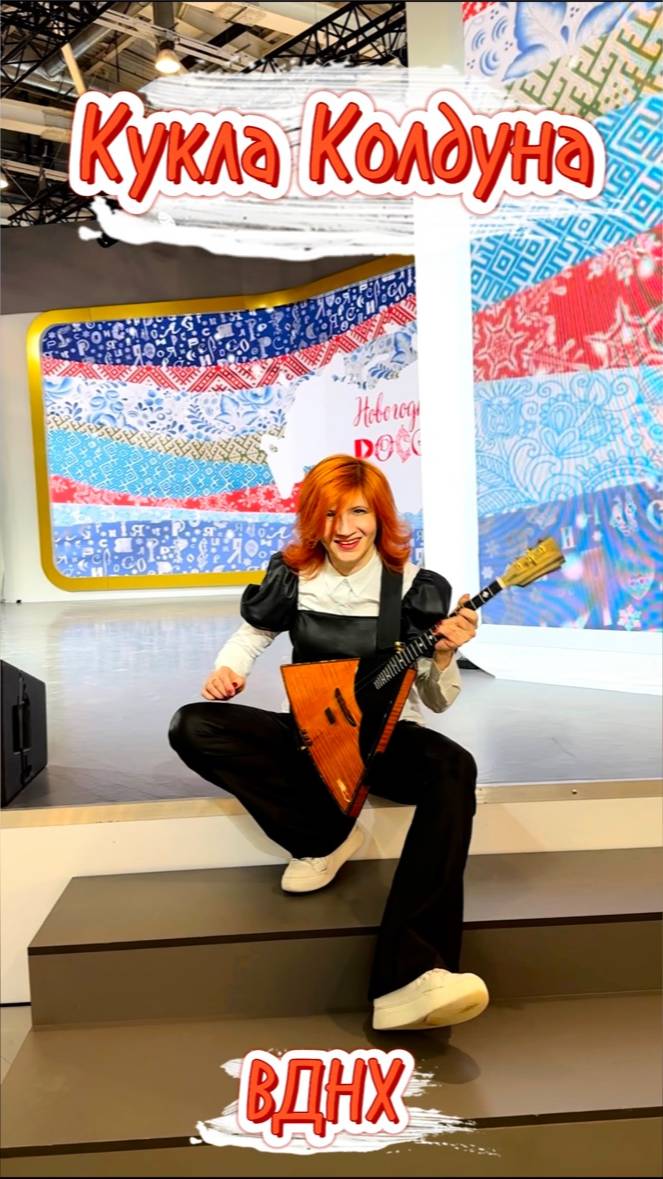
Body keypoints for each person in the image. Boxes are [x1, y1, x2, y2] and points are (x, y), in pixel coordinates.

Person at [169, 454, 488, 1031]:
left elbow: (437, 701)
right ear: (312, 519)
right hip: (310, 735)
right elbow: (253, 633)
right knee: (193, 725)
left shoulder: (414, 588)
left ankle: (412, 974)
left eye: (359, 512)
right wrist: (229, 669)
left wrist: (444, 655)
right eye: (330, 513)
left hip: (384, 741)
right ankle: (322, 837)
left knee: (454, 768)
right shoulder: (294, 576)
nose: (345, 528)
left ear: (380, 517)